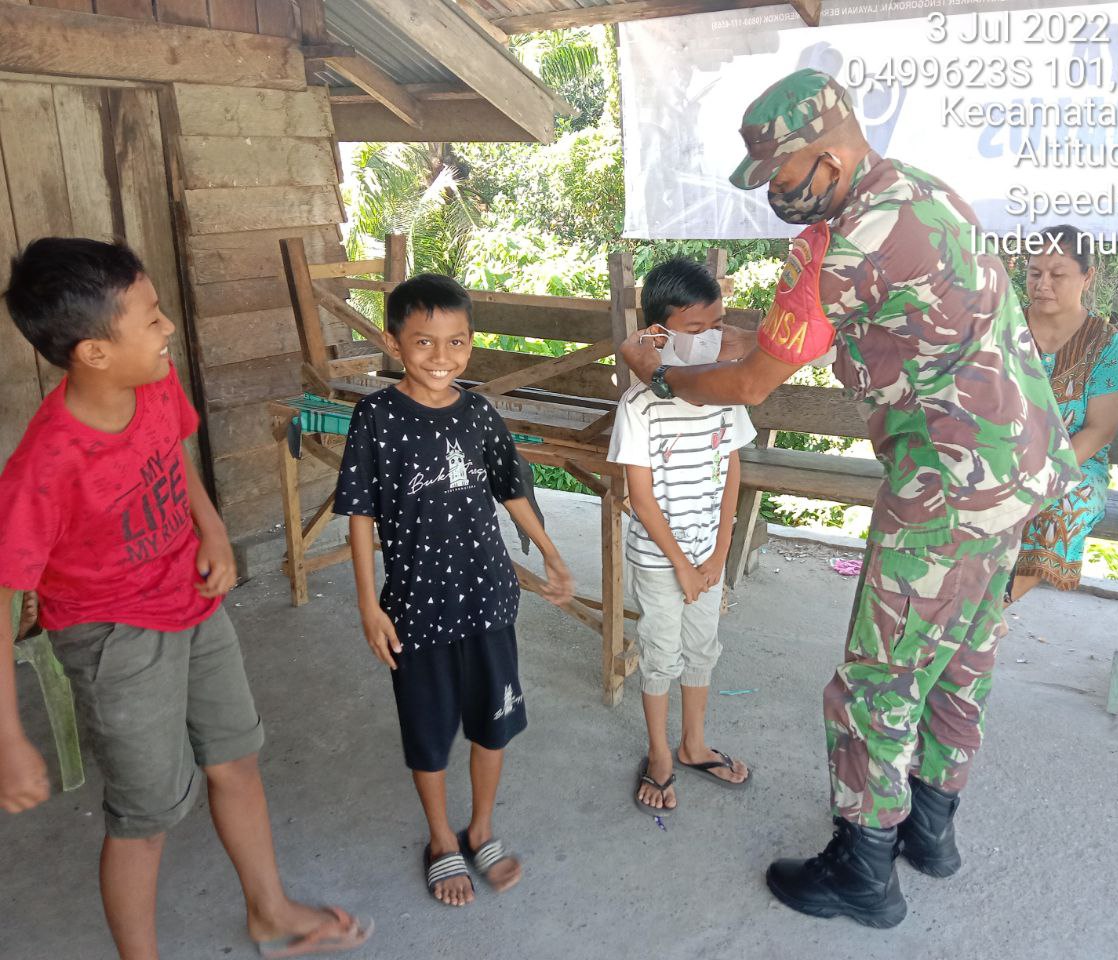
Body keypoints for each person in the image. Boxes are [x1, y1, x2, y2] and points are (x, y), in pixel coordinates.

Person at [618, 69, 1080, 927]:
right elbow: (804, 323)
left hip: (948, 484)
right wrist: (716, 335)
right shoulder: (920, 193)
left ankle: (864, 868)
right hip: (1016, 466)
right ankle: (932, 832)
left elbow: (756, 382)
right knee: (962, 654)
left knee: (875, 679)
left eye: (785, 182)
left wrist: (667, 373)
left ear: (829, 157)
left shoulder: (850, 239)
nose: (777, 201)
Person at [0, 238, 372, 960]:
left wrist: (214, 533)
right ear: (92, 353)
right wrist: (9, 738)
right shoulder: (46, 464)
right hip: (115, 639)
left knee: (237, 758)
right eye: (149, 317)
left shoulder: (154, 383)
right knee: (145, 817)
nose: (167, 326)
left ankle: (268, 911)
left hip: (193, 600)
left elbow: (173, 451)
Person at [334, 273, 574, 909]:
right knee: (429, 732)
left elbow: (509, 489)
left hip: (488, 601)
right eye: (423, 343)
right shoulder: (376, 418)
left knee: (494, 726)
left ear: (471, 342)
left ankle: (482, 828)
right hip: (415, 609)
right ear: (393, 343)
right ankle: (442, 839)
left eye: (457, 342)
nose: (442, 358)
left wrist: (550, 552)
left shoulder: (478, 413)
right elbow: (359, 514)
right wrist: (367, 603)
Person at [607, 257, 756, 816]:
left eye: (716, 328)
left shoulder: (725, 392)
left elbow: (732, 473)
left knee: (702, 651)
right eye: (695, 331)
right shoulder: (640, 405)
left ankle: (693, 745)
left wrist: (718, 554)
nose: (709, 341)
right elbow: (640, 499)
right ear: (659, 334)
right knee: (661, 654)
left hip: (706, 557)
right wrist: (684, 566)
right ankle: (660, 754)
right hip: (659, 559)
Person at [1007, 225, 1118, 603]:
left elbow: (1100, 430)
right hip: (1000, 454)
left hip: (1074, 466)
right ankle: (945, 605)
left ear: (1086, 276)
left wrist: (1045, 473)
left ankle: (989, 612)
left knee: (1062, 510)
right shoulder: (1002, 328)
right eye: (1034, 273)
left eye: (1057, 275)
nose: (1043, 284)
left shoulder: (1106, 345)